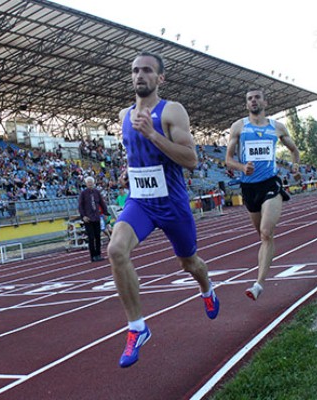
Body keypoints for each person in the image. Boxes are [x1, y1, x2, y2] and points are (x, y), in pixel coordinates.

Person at [107, 51, 219, 369]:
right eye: (134, 70)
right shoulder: (123, 115)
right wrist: (129, 169)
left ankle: (207, 288)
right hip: (140, 201)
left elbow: (191, 159)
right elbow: (136, 153)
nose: (139, 75)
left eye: (147, 70)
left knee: (190, 263)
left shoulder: (171, 111)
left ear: (160, 78)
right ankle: (137, 328)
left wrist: (152, 134)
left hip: (171, 203)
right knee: (116, 249)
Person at [225, 89, 301, 301]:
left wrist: (295, 167)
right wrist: (242, 167)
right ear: (246, 104)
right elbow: (228, 160)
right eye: (249, 98)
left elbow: (295, 151)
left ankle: (258, 284)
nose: (253, 101)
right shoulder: (238, 127)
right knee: (262, 234)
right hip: (249, 187)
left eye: (257, 97)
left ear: (265, 102)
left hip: (270, 182)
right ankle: (264, 266)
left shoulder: (277, 127)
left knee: (266, 232)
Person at [78, 176, 108, 262]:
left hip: (96, 217)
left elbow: (102, 203)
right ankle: (93, 256)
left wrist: (105, 213)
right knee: (91, 238)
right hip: (88, 218)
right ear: (86, 184)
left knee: (98, 237)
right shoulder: (83, 193)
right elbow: (80, 206)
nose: (90, 184)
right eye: (88, 182)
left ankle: (98, 254)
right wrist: (83, 216)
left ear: (93, 183)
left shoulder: (97, 192)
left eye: (91, 182)